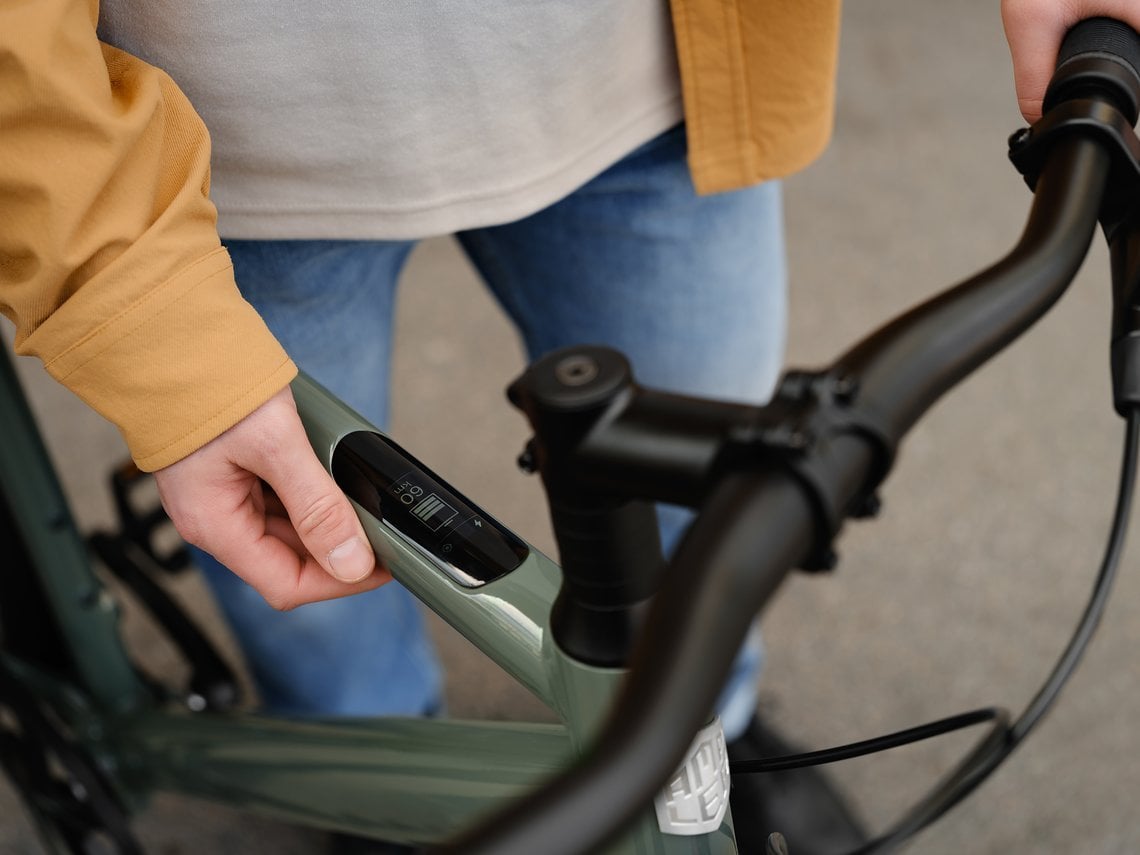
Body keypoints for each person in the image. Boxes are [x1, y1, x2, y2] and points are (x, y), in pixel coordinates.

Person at [3, 1, 1132, 851]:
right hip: (220, 161)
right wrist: (137, 306)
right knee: (308, 570)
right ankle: (369, 787)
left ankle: (710, 732)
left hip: (649, 90)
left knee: (719, 520)